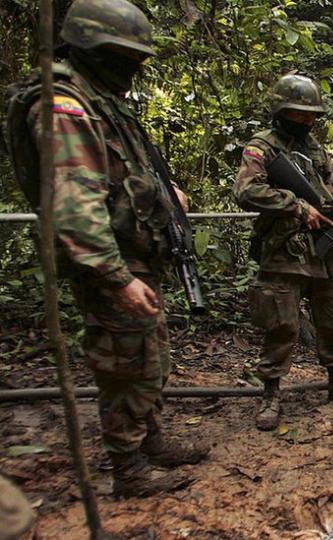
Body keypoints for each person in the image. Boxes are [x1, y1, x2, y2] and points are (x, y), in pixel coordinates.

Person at [4, 0, 208, 497]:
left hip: (130, 251)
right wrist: (116, 276)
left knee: (149, 355)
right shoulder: (63, 104)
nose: (133, 71)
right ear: (93, 48)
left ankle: (148, 440)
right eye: (125, 58)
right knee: (126, 362)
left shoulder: (99, 98)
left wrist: (165, 196)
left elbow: (119, 177)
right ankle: (128, 468)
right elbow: (75, 202)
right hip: (109, 260)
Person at [234, 73, 333, 432]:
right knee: (281, 323)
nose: (308, 120)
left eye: (312, 114)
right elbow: (247, 191)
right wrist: (298, 207)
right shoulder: (262, 147)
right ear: (282, 111)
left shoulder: (315, 149)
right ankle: (271, 392)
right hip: (285, 250)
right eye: (300, 114)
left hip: (324, 251)